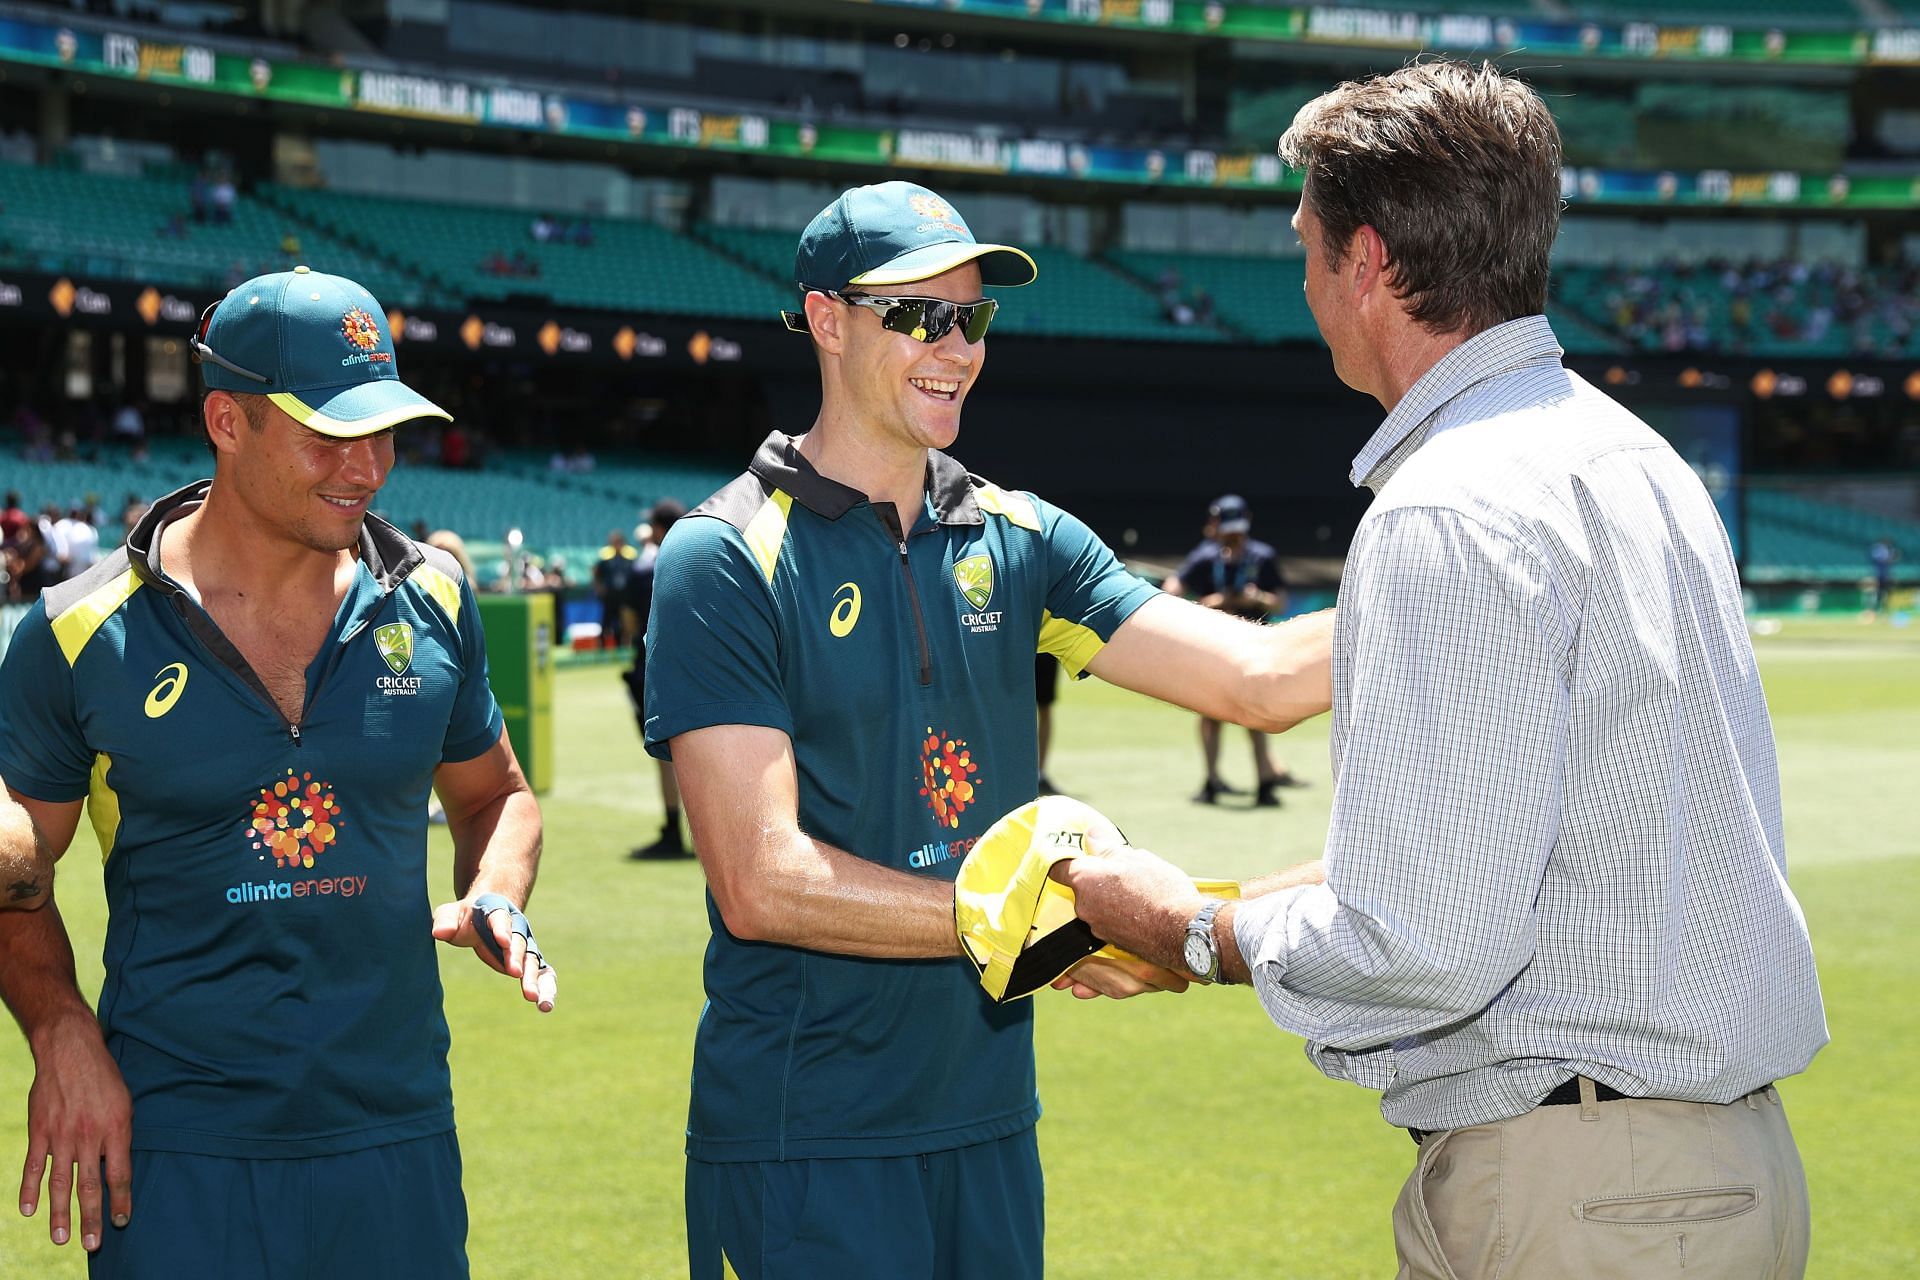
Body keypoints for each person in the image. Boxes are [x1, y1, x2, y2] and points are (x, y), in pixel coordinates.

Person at [1053, 61, 1827, 1280]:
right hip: (1704, 1170)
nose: (1302, 281)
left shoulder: (1451, 505)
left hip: (1586, 1189)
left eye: (1307, 245)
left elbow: (1428, 938)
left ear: (1366, 260)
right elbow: (1515, 837)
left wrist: (1189, 925)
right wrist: (1233, 907)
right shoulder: (1631, 456)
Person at [643, 180, 1334, 1278]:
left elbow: (1260, 678)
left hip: (988, 1121)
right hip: (805, 1140)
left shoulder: (1023, 536)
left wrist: (1461, 586)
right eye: (918, 315)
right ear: (827, 319)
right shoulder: (725, 556)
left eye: (972, 317)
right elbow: (763, 880)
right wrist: (1055, 915)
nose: (954, 347)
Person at [0, 266, 556, 1278]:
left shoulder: (432, 596)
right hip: (177, 1157)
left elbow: (497, 794)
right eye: (330, 432)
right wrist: (59, 1025)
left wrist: (496, 892)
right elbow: (12, 865)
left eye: (383, 430)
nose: (369, 466)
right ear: (226, 419)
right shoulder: (79, 631)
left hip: (397, 1141)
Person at [1165, 494, 1300, 806]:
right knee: (1210, 714)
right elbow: (1171, 591)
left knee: (1256, 713)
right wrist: (1210, 603)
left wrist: (1257, 598)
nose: (1231, 536)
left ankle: (1265, 782)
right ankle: (1211, 781)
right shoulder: (1206, 557)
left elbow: (1279, 601)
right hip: (1213, 646)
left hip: (1255, 647)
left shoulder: (1261, 556)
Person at [623, 498, 688, 859]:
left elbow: (632, 623)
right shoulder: (707, 557)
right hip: (706, 667)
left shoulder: (645, 569)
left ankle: (672, 830)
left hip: (656, 668)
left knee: (667, 755)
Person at [591, 529, 639, 650]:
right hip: (609, 596)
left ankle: (622, 645)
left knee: (624, 622)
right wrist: (599, 589)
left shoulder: (629, 558)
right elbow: (596, 573)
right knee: (606, 621)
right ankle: (602, 646)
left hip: (624, 596)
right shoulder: (606, 558)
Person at [1869, 536, 1898, 615]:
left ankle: (1884, 610)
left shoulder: (1889, 550)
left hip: (1887, 575)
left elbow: (1891, 560)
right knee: (1877, 593)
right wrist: (1890, 558)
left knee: (1887, 592)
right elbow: (1880, 560)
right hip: (1879, 575)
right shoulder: (1878, 549)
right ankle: (1873, 610)